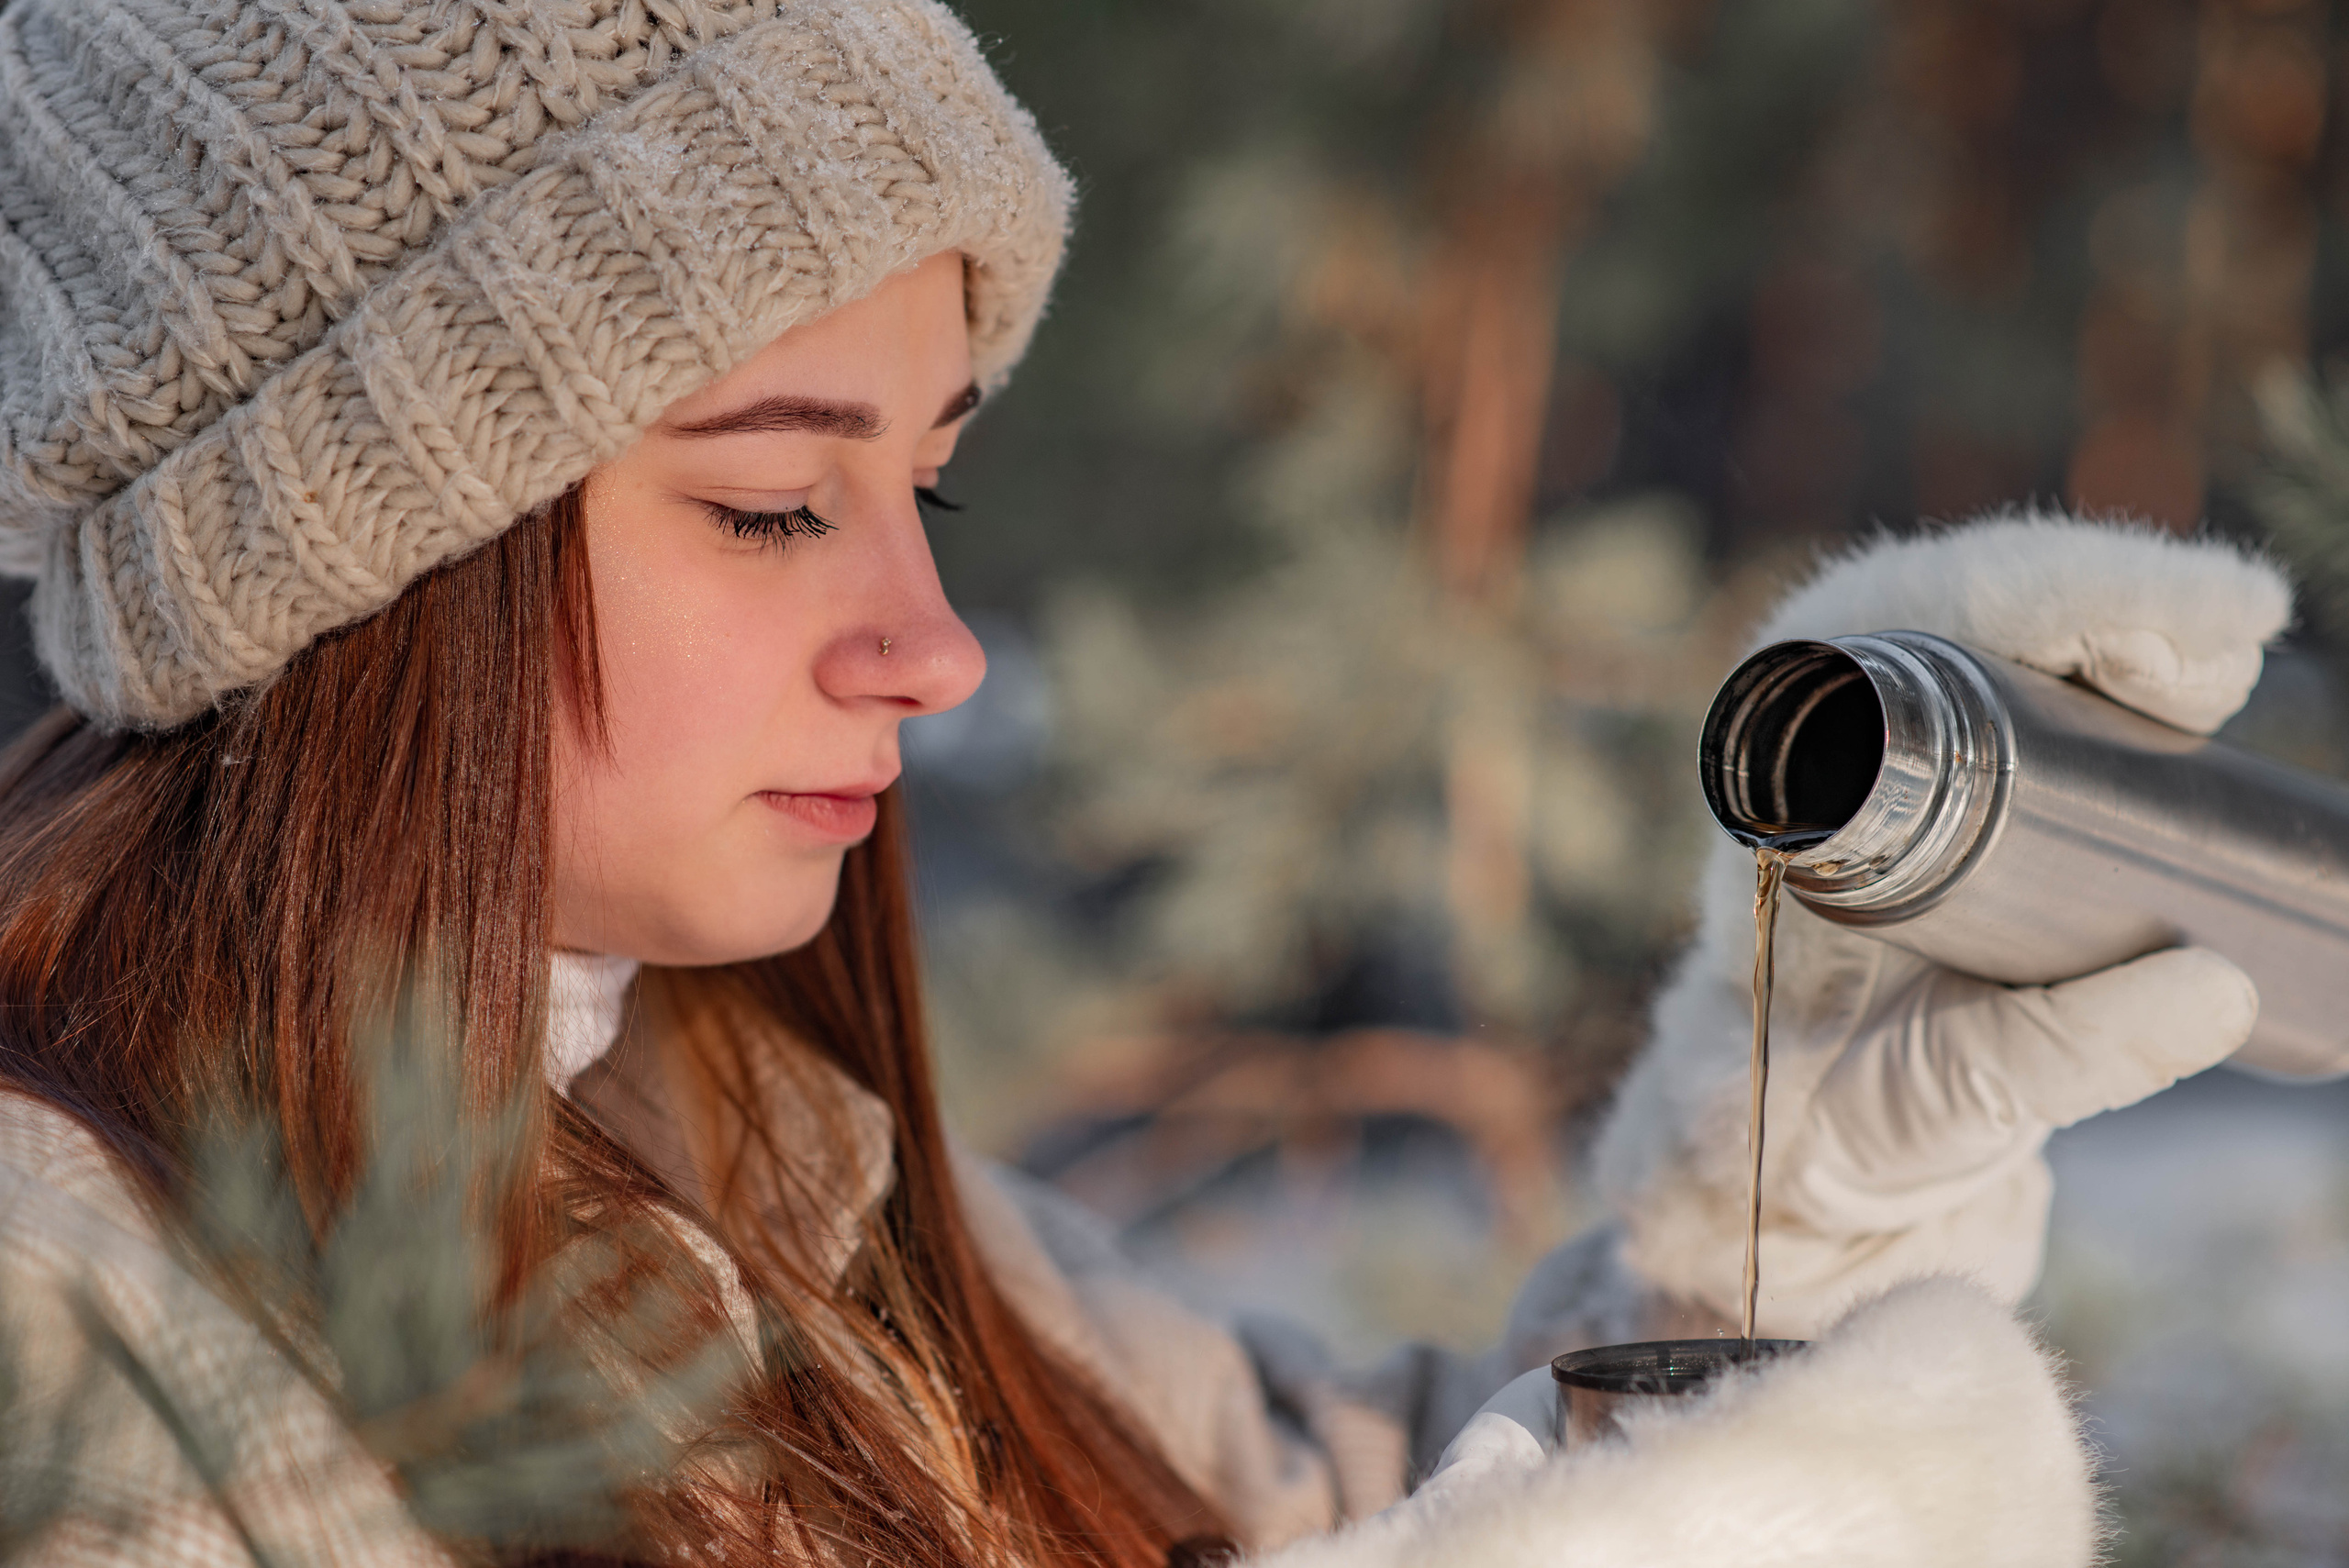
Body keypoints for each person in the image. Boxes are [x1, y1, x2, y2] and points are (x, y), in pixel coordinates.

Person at [0, 2, 2284, 1564]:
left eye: (930, 490)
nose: (933, 646)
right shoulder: (65, 1335)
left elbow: (1326, 1500)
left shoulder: (758, 1163)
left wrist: (1787, 1195)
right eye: (774, 506)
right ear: (346, 562)